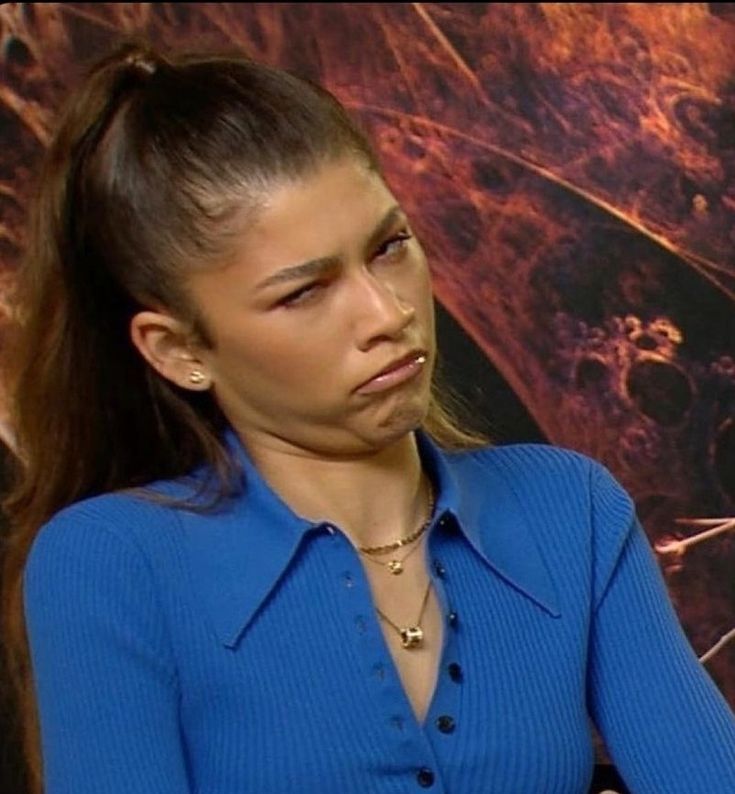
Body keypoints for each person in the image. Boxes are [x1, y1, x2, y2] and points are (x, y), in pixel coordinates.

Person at [2, 40, 734, 794]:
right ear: (178, 349)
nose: (387, 314)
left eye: (389, 247)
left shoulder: (568, 511)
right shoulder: (111, 565)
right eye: (303, 293)